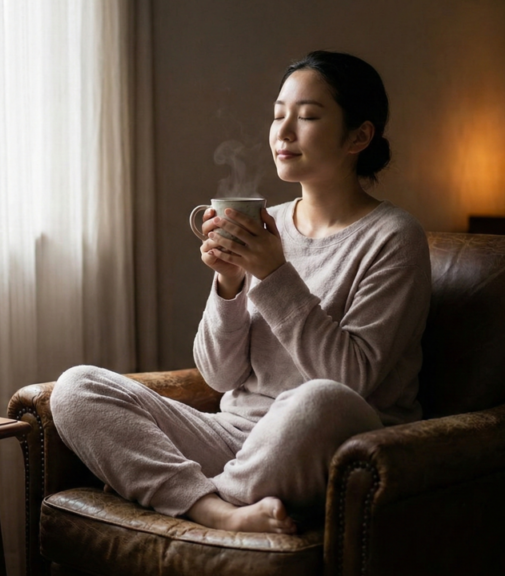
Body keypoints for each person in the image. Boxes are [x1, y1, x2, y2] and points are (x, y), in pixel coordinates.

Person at [50, 51, 431, 534]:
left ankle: (190, 498)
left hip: (324, 439)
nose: (283, 132)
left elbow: (351, 378)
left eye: (308, 116)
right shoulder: (267, 226)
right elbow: (219, 374)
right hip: (233, 436)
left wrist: (273, 275)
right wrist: (229, 284)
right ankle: (220, 512)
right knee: (76, 387)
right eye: (278, 115)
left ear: (359, 136)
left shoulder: (394, 237)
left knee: (320, 399)